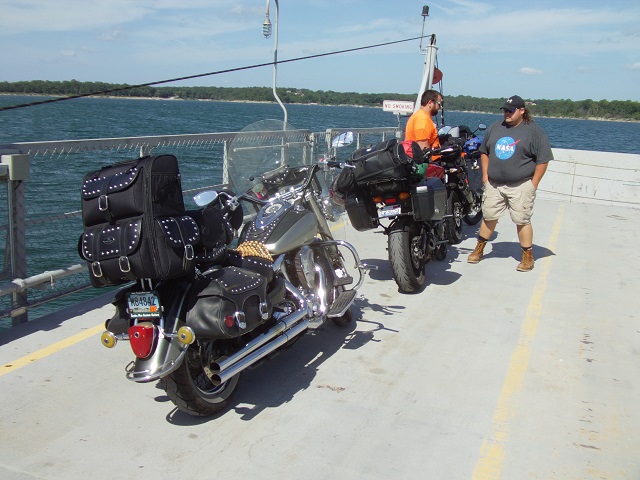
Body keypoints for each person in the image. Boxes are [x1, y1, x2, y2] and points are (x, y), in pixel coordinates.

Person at [467, 95, 553, 272]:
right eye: (505, 110)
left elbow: (543, 160)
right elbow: (484, 152)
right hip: (495, 184)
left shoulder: (534, 131)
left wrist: (533, 184)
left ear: (522, 111)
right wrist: (485, 175)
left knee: (522, 219)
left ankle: (527, 256)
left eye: (511, 110)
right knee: (489, 216)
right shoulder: (495, 128)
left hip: (521, 184)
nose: (507, 113)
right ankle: (480, 248)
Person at [405, 89, 443, 178]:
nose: (440, 107)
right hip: (420, 165)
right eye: (439, 104)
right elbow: (422, 147)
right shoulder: (423, 119)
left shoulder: (420, 116)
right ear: (430, 103)